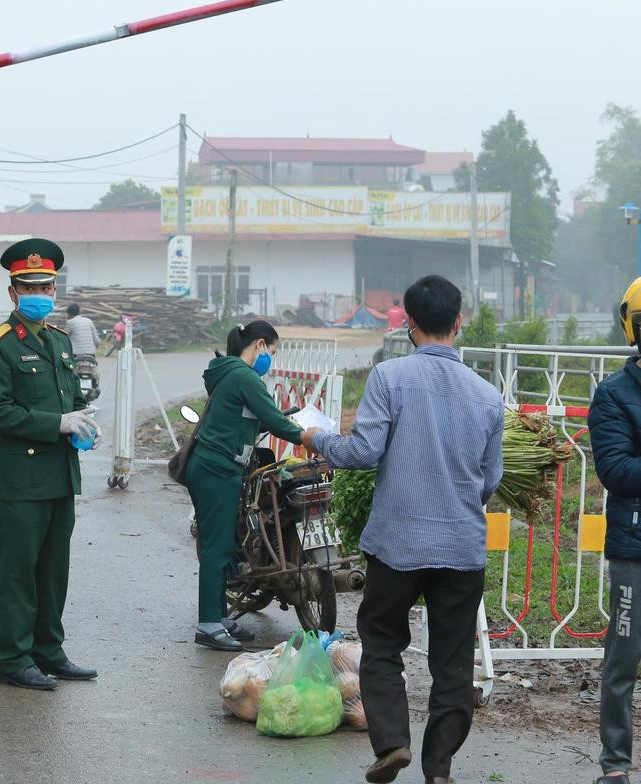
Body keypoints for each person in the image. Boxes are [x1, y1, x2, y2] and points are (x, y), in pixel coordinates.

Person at [301, 275, 503, 784]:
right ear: (459, 322)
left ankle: (393, 743)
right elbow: (491, 479)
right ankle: (439, 770)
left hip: (397, 543)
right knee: (453, 663)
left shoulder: (390, 378)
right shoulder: (487, 394)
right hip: (461, 546)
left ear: (408, 323)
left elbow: (364, 452)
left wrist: (317, 437)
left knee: (383, 642)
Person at [0, 238, 100, 691]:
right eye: (30, 286)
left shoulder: (60, 341)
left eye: (46, 287)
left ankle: (49, 652)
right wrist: (58, 423)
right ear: (12, 292)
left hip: (60, 477)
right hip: (22, 479)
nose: (40, 294)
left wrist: (84, 420)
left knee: (53, 572)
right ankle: (13, 659)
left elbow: (75, 397)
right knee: (19, 573)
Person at [185, 321, 304, 651]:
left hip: (219, 467)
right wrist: (311, 436)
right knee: (215, 546)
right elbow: (275, 419)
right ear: (261, 345)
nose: (271, 360)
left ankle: (220, 617)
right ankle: (208, 624)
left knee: (224, 543)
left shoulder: (229, 372)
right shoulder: (243, 375)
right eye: (273, 352)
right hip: (215, 468)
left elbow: (261, 417)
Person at [588, 277, 641, 784]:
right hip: (634, 551)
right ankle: (615, 766)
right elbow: (617, 471)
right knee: (623, 663)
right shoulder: (614, 395)